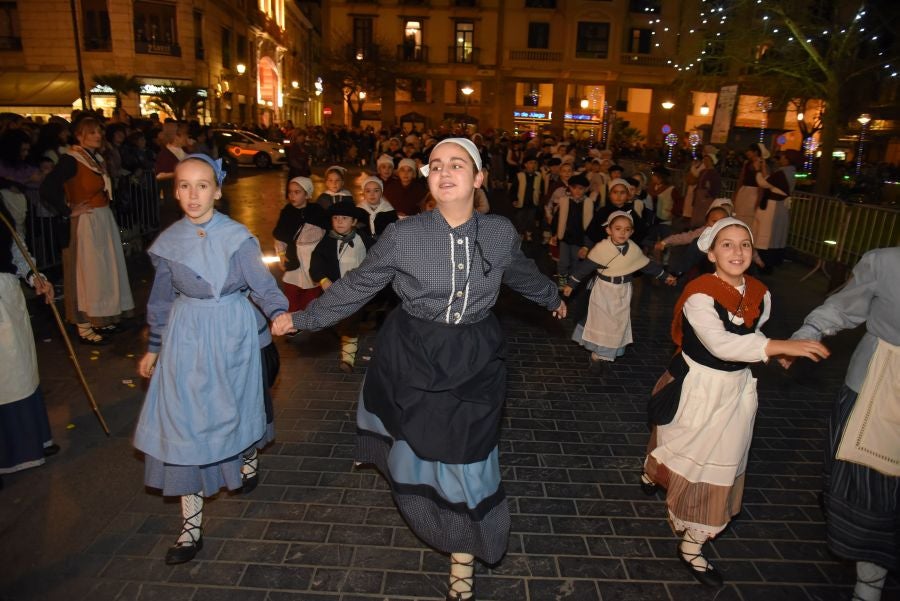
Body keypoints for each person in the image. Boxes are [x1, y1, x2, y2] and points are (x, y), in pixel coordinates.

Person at [272, 138, 566, 601]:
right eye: (436, 165)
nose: (445, 172)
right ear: (428, 178)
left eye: (457, 164)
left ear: (479, 177)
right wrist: (303, 318)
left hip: (476, 357)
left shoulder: (498, 232)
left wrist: (552, 297)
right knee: (427, 449)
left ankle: (464, 553)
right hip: (417, 354)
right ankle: (448, 532)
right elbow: (359, 287)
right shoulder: (403, 236)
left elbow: (520, 271)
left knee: (470, 455)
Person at [642, 217, 829, 587]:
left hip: (734, 390)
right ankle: (652, 472)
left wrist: (772, 352)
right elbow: (720, 343)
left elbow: (751, 333)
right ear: (711, 253)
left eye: (745, 244)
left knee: (721, 465)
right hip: (698, 386)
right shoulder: (699, 294)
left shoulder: (760, 292)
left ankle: (692, 546)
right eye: (727, 244)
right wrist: (776, 346)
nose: (737, 251)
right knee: (676, 444)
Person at [134, 154, 288, 565]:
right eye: (184, 185)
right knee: (185, 424)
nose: (193, 194)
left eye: (202, 185)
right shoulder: (170, 243)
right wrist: (154, 346)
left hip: (231, 333)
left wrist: (279, 313)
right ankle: (191, 526)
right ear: (175, 190)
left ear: (218, 191)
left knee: (233, 411)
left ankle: (248, 454)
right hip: (186, 335)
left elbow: (261, 284)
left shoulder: (237, 237)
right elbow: (162, 298)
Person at [784, 246, 900, 601]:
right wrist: (809, 332)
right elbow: (843, 305)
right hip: (878, 387)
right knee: (872, 489)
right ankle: (869, 586)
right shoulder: (886, 262)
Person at [39, 117, 135, 345]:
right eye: (92, 132)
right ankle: (84, 325)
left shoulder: (94, 158)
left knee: (105, 271)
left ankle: (103, 318)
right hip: (86, 222)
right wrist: (68, 210)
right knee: (87, 273)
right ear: (80, 135)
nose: (98, 136)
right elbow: (48, 187)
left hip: (101, 218)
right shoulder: (71, 159)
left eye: (99, 132)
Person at [563, 211, 676, 363]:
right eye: (618, 228)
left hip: (623, 290)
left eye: (627, 229)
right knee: (603, 320)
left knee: (617, 322)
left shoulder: (634, 249)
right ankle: (600, 352)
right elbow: (585, 268)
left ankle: (607, 350)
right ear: (608, 230)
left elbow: (648, 265)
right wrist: (571, 284)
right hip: (604, 289)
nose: (622, 232)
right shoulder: (601, 249)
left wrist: (665, 275)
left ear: (632, 232)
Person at [0, 203, 59, 488]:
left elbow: (15, 245)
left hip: (5, 295)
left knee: (20, 370)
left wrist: (35, 276)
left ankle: (30, 441)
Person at [309, 201, 373, 372]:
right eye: (335, 218)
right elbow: (316, 261)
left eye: (344, 218)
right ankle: (346, 338)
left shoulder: (363, 239)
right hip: (335, 290)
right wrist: (323, 279)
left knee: (350, 319)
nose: (339, 222)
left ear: (353, 222)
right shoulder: (327, 241)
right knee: (339, 321)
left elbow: (376, 257)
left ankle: (348, 357)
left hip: (358, 289)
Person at [273, 176, 328, 311]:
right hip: (294, 256)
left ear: (307, 194)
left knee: (312, 289)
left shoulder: (317, 211)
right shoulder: (287, 212)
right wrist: (281, 253)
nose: (292, 195)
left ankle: (307, 317)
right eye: (290, 192)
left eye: (297, 192)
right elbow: (281, 236)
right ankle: (292, 317)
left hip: (312, 256)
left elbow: (325, 233)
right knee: (291, 288)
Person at [752, 149, 799, 272]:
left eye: (783, 157)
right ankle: (768, 264)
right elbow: (771, 182)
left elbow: (763, 183)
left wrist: (757, 170)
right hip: (779, 207)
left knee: (767, 236)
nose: (781, 159)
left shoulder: (782, 173)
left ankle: (764, 265)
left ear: (788, 159)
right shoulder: (790, 173)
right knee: (775, 236)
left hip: (773, 208)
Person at [550, 172, 594, 287]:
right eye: (574, 188)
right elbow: (557, 219)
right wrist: (555, 234)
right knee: (563, 263)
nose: (577, 191)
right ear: (570, 188)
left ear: (586, 189)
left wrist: (587, 242)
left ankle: (571, 284)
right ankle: (562, 282)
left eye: (581, 188)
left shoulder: (588, 203)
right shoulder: (564, 201)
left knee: (576, 262)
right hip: (565, 238)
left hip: (579, 239)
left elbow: (591, 224)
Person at [732, 143, 768, 226]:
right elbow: (741, 179)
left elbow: (763, 181)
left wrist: (759, 198)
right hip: (744, 190)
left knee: (749, 215)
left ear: (755, 152)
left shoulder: (761, 163)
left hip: (754, 192)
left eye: (749, 151)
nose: (747, 153)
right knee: (739, 212)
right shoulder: (747, 163)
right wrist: (736, 193)